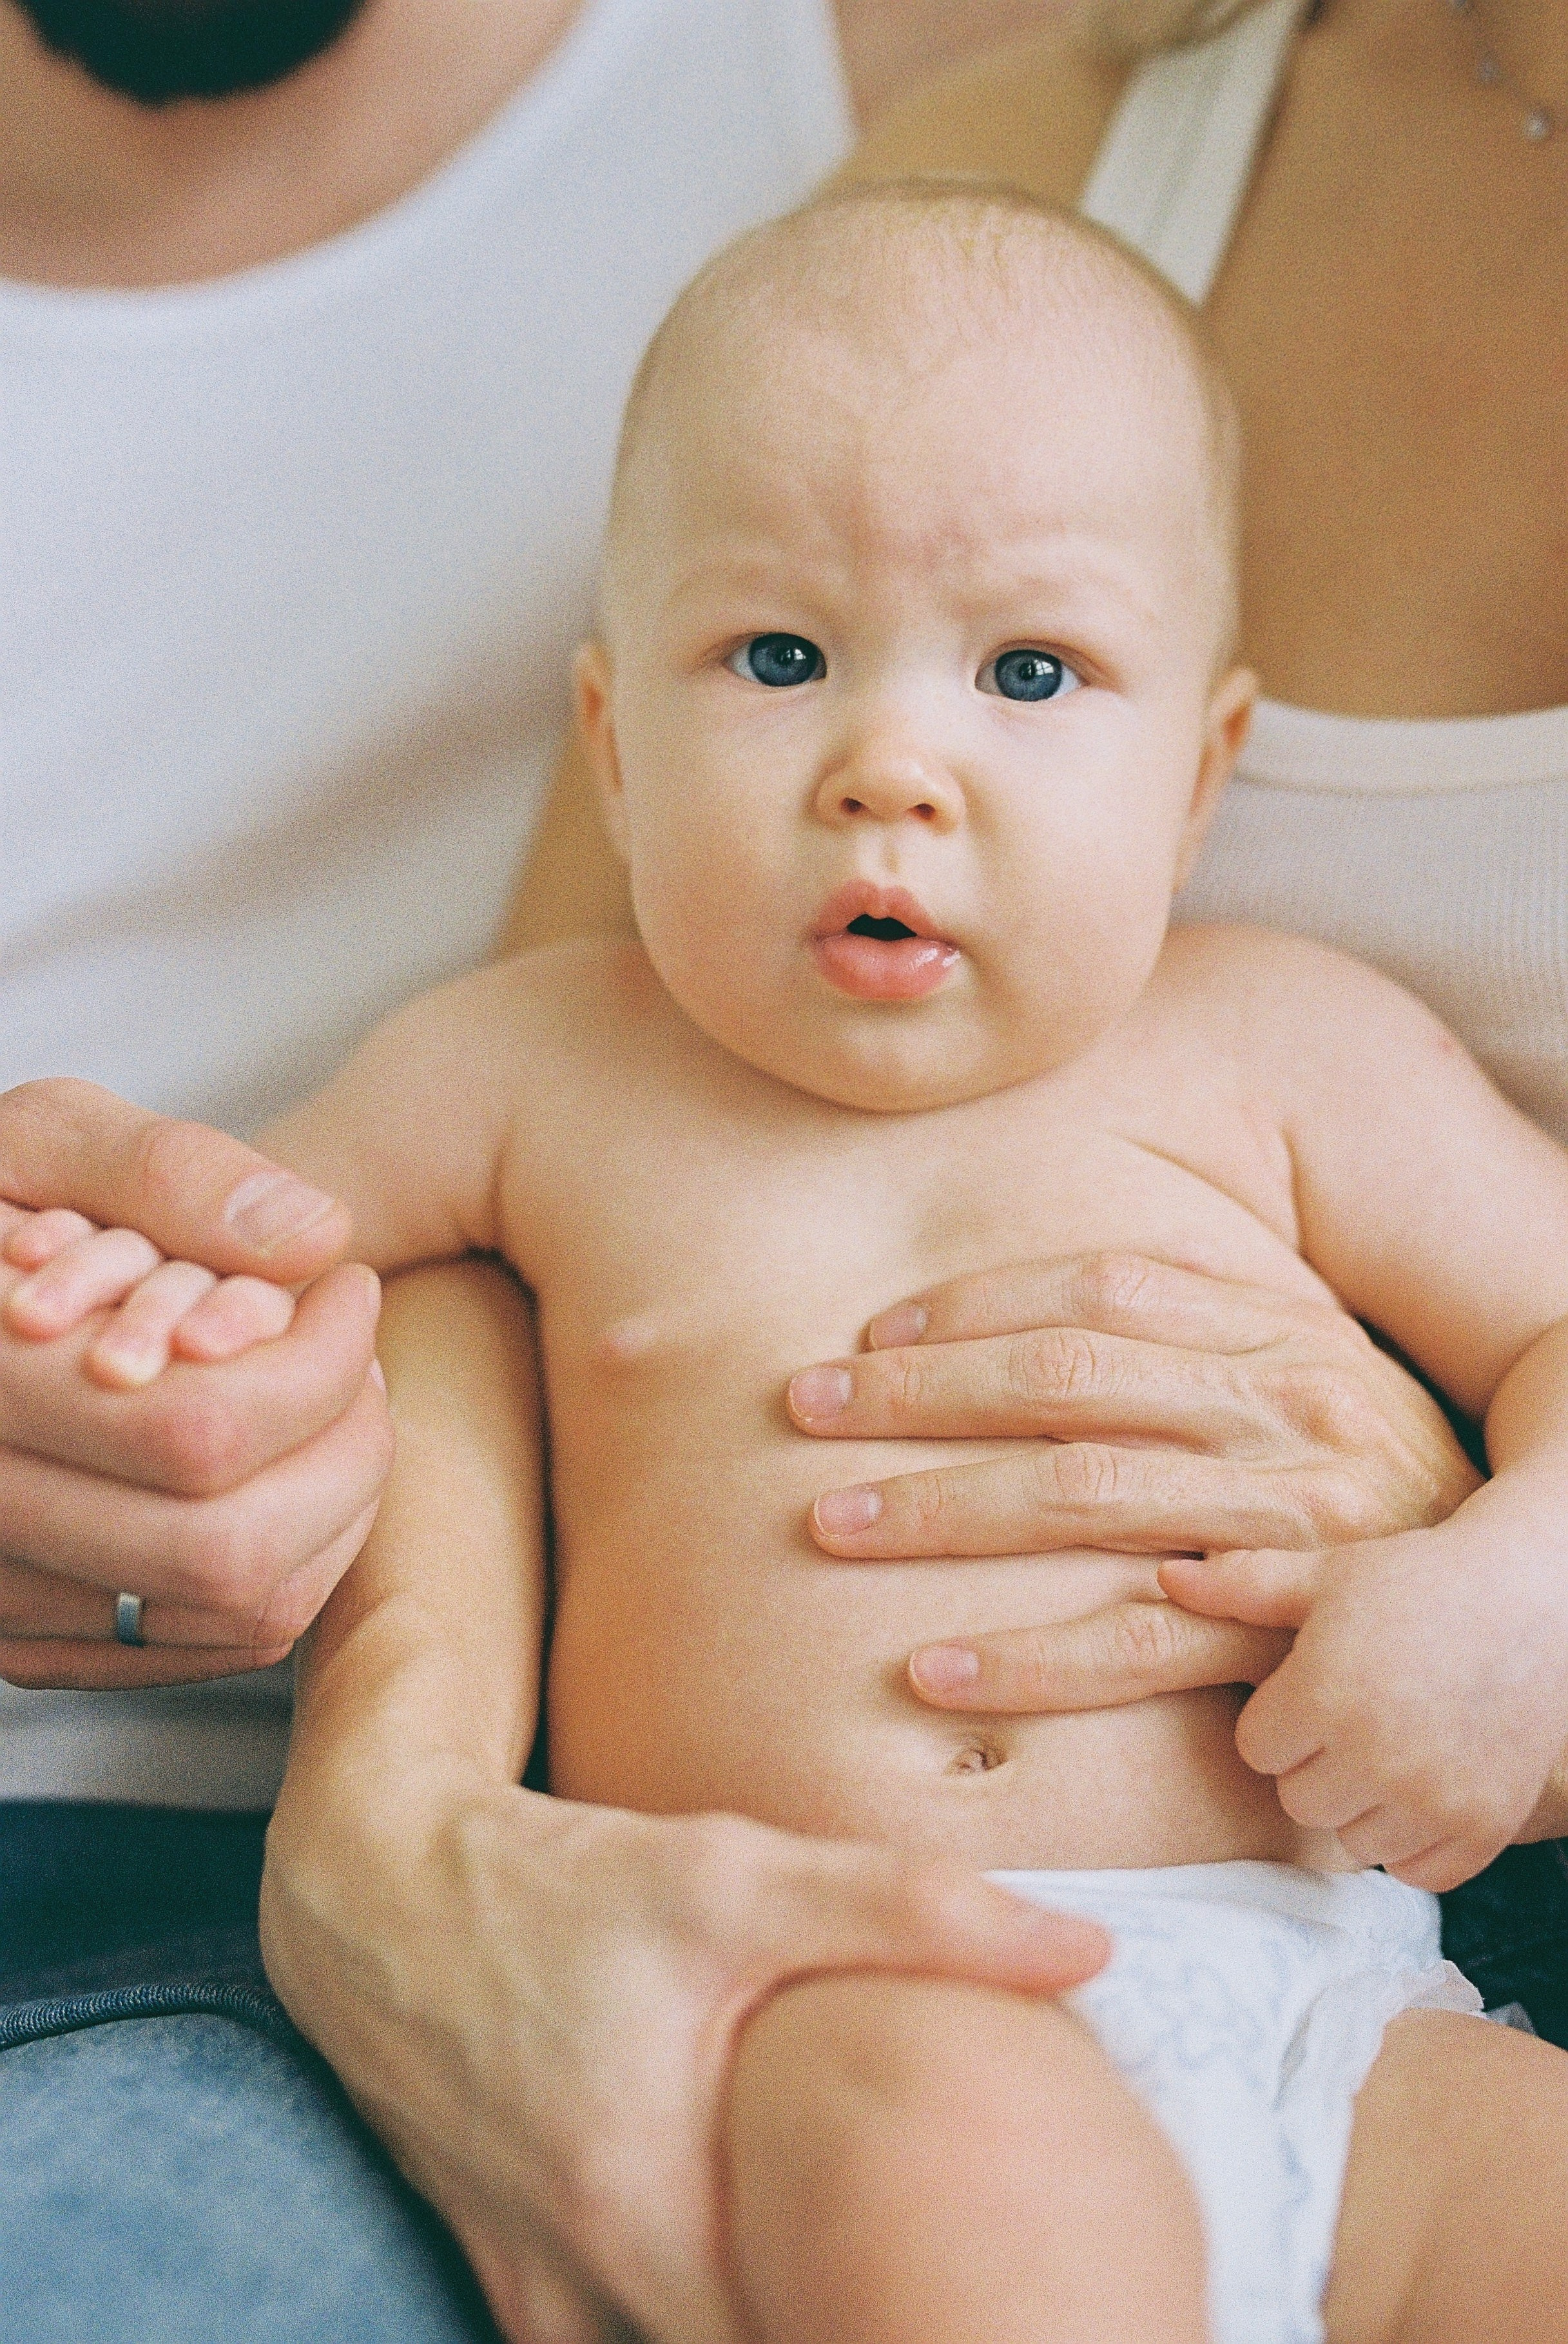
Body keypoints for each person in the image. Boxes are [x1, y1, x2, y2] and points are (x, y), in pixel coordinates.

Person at [1, 0, 1558, 2336]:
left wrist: (1522, 1587)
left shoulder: (1291, 1051)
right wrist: (131, 1321)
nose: (889, 768)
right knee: (973, 2219)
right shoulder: (523, 1060)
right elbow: (265, 1259)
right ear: (612, 745)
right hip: (838, 1982)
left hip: (1347, 1997)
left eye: (1028, 677)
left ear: (1209, 762)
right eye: (777, 654)